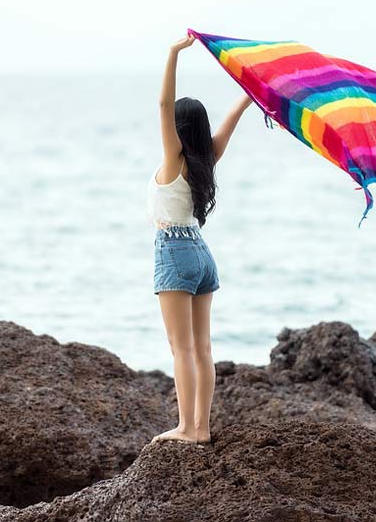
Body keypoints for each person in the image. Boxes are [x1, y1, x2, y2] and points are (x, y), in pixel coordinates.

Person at [146, 32, 254, 443]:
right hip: (203, 255)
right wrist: (249, 95)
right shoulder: (206, 158)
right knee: (203, 347)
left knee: (182, 350)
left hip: (174, 251)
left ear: (176, 129)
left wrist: (172, 54)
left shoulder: (174, 162)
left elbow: (161, 104)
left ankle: (187, 428)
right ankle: (202, 427)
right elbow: (231, 120)